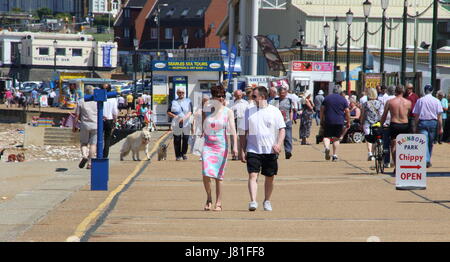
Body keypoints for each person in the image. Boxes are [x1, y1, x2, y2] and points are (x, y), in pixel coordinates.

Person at [240, 86, 285, 212]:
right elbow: (243, 132)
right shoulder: (249, 111)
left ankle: (267, 200)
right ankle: (253, 201)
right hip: (253, 149)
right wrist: (242, 150)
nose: (252, 98)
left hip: (270, 150)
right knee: (252, 175)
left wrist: (279, 144)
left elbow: (282, 129)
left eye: (254, 96)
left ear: (263, 97)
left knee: (269, 177)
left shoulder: (275, 111)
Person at [201, 86, 238, 211]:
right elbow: (202, 121)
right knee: (206, 173)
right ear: (213, 97)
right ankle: (209, 197)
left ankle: (219, 202)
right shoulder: (208, 109)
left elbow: (233, 130)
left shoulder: (228, 111)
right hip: (207, 146)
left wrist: (235, 147)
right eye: (218, 96)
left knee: (218, 176)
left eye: (223, 96)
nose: (221, 98)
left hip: (221, 147)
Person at [381, 85, 411, 168]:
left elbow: (384, 115)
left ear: (395, 92)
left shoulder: (390, 102)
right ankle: (402, 163)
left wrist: (381, 124)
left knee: (393, 146)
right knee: (404, 146)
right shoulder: (408, 102)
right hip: (405, 124)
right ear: (403, 92)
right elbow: (408, 115)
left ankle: (396, 165)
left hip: (394, 124)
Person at [412, 84, 443, 168]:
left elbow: (416, 115)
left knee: (424, 142)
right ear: (432, 91)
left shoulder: (420, 100)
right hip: (433, 123)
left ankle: (427, 159)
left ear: (424, 90)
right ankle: (427, 160)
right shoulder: (436, 101)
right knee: (430, 142)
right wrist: (441, 127)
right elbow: (439, 116)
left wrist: (415, 125)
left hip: (422, 122)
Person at [320, 86, 350, 162]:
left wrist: (321, 119)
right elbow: (347, 111)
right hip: (339, 120)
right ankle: (335, 155)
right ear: (340, 91)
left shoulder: (327, 98)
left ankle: (327, 147)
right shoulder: (343, 99)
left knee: (326, 136)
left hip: (328, 120)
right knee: (336, 138)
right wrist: (348, 121)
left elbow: (322, 109)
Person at [73, 85, 98, 169]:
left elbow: (76, 115)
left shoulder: (81, 101)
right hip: (95, 124)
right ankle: (90, 163)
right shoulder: (97, 101)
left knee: (84, 143)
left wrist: (74, 126)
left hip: (85, 125)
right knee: (93, 144)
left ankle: (84, 156)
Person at [167, 88, 193, 161]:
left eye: (182, 92)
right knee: (177, 139)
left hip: (186, 123)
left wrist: (184, 118)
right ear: (177, 93)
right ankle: (178, 155)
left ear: (184, 93)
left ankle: (183, 153)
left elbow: (191, 112)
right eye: (179, 92)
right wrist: (175, 116)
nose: (181, 93)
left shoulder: (188, 101)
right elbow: (168, 112)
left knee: (186, 139)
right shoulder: (173, 102)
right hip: (176, 123)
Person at [360, 88, 383, 161]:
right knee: (376, 137)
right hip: (377, 123)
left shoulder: (366, 103)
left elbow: (363, 114)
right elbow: (381, 114)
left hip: (367, 123)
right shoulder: (380, 103)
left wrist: (361, 123)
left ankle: (370, 153)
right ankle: (375, 151)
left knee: (368, 138)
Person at [273, 86, 295, 159]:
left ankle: (288, 151)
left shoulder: (289, 100)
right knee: (276, 138)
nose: (282, 94)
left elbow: (291, 111)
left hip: (287, 121)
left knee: (288, 138)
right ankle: (276, 152)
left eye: (284, 93)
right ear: (278, 93)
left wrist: (291, 120)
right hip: (277, 123)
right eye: (281, 93)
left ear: (286, 93)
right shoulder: (275, 100)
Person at [230, 89, 248, 160]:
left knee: (243, 138)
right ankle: (234, 154)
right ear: (234, 95)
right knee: (233, 137)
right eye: (237, 95)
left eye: (240, 95)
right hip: (234, 120)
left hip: (243, 120)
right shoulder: (231, 103)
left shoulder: (245, 103)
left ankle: (242, 153)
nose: (238, 96)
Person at [101, 84, 119, 158]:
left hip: (100, 119)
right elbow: (115, 112)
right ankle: (105, 155)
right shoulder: (113, 99)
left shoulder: (99, 98)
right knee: (107, 139)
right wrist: (115, 121)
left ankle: (97, 153)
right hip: (109, 120)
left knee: (98, 138)